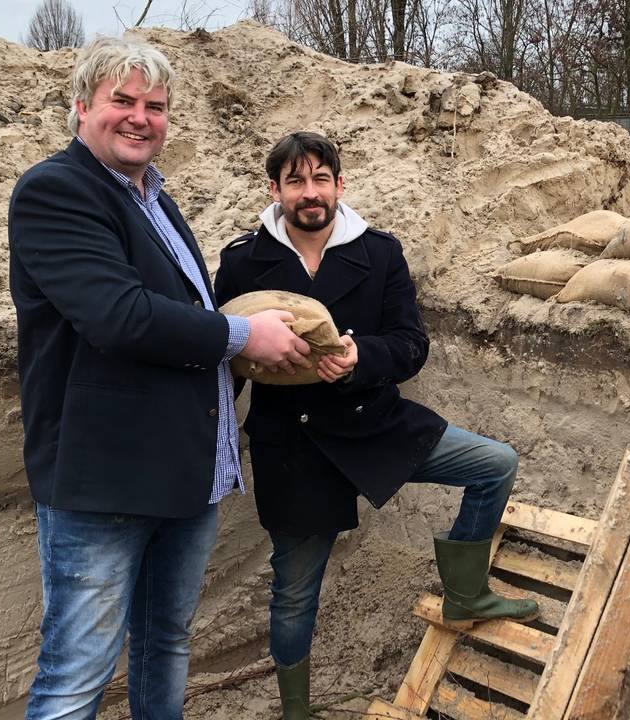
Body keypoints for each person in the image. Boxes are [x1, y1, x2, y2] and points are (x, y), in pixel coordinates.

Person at [8, 37, 311, 719]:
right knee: (76, 674)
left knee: (164, 644)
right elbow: (119, 317)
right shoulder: (55, 191)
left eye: (156, 105)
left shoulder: (154, 197)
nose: (140, 117)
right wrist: (244, 334)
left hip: (182, 472)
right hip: (105, 479)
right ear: (82, 106)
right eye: (123, 101)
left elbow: (183, 312)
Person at [214, 132, 538, 719]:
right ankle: (296, 712)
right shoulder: (242, 261)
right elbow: (225, 360)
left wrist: (363, 359)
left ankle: (465, 595)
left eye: (320, 179)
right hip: (292, 444)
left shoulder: (380, 253)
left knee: (494, 464)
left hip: (374, 421)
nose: (309, 193)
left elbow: (411, 344)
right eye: (295, 181)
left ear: (340, 184)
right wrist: (207, 440)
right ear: (275, 190)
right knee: (293, 594)